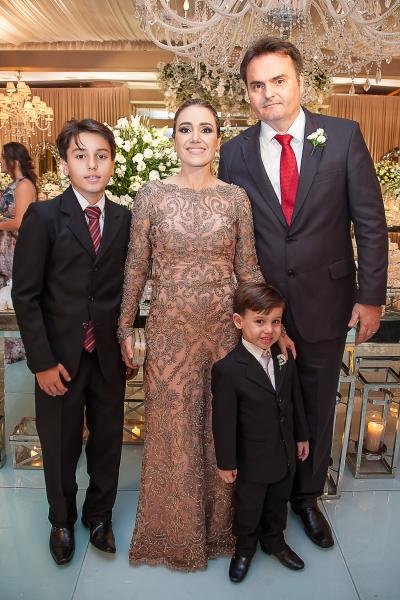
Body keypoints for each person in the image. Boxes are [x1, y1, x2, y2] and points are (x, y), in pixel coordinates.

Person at [219, 37, 388, 548]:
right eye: (257, 85)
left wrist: (370, 296)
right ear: (247, 94)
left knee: (315, 402)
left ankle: (307, 498)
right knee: (262, 404)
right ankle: (265, 497)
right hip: (260, 308)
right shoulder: (234, 152)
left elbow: (370, 222)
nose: (268, 92)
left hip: (326, 300)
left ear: (299, 82)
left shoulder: (342, 136)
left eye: (278, 80)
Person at [118, 98, 294, 571]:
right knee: (173, 430)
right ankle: (173, 534)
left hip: (223, 332)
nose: (195, 138)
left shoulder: (235, 198)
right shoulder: (151, 196)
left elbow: (248, 269)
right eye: (185, 129)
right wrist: (124, 328)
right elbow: (135, 268)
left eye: (205, 129)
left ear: (218, 139)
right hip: (169, 334)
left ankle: (224, 531)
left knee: (223, 428)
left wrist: (271, 326)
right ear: (173, 138)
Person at [12, 119, 131, 565]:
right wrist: (41, 361)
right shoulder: (44, 216)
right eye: (81, 156)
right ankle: (60, 519)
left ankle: (99, 515)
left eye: (101, 156)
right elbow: (26, 295)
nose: (92, 165)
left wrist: (128, 342)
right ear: (65, 164)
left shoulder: (123, 219)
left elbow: (126, 288)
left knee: (108, 441)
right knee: (61, 443)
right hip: (58, 357)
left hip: (106, 356)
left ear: (113, 163)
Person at [212, 281, 309, 583]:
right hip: (251, 460)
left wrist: (301, 436)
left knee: (278, 502)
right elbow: (223, 421)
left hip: (284, 453)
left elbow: (294, 400)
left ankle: (275, 542)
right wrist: (226, 462)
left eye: (276, 322)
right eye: (260, 321)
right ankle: (244, 549)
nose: (269, 330)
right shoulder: (228, 369)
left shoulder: (283, 357)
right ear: (238, 322)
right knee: (249, 507)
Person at [0, 142, 37, 287]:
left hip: (16, 245)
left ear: (15, 162)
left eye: (3, 157)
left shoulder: (24, 185)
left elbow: (20, 222)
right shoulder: (15, 184)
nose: (1, 161)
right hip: (7, 242)